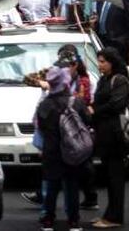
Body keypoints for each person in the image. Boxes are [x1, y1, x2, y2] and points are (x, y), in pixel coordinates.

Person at [36, 66, 89, 231]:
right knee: (72, 187)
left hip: (52, 151)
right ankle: (73, 221)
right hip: (73, 150)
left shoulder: (45, 105)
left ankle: (48, 220)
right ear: (66, 83)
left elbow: (41, 127)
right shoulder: (76, 102)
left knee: (51, 187)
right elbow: (87, 120)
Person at [88, 48, 129, 229]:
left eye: (103, 61)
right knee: (109, 177)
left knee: (115, 178)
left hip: (115, 134)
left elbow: (116, 104)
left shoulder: (119, 80)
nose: (100, 65)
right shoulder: (104, 79)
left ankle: (114, 217)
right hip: (104, 133)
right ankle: (109, 214)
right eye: (99, 61)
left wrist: (95, 111)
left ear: (112, 62)